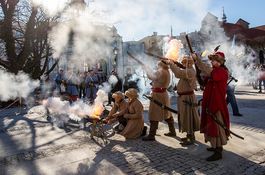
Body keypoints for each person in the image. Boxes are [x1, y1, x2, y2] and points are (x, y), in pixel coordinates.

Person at [191, 51, 230, 161]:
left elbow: (207, 70)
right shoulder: (215, 71)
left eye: (213, 60)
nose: (211, 62)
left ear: (219, 61)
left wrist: (197, 59)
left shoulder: (221, 71)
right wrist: (198, 76)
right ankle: (214, 145)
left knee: (216, 126)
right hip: (210, 102)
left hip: (216, 103)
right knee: (211, 125)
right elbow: (204, 84)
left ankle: (218, 151)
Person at [166, 56, 200, 145]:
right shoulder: (188, 70)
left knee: (188, 117)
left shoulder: (190, 71)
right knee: (185, 117)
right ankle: (190, 135)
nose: (183, 64)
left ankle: (190, 138)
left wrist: (172, 65)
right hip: (184, 97)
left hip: (187, 98)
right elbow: (179, 73)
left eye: (184, 63)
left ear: (189, 64)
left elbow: (178, 74)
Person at [141, 60, 176, 141]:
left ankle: (152, 135)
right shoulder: (166, 71)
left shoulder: (160, 71)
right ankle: (172, 131)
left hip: (157, 95)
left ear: (160, 65)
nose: (157, 67)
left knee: (153, 114)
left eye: (158, 65)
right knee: (167, 113)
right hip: (163, 94)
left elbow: (151, 76)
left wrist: (146, 69)